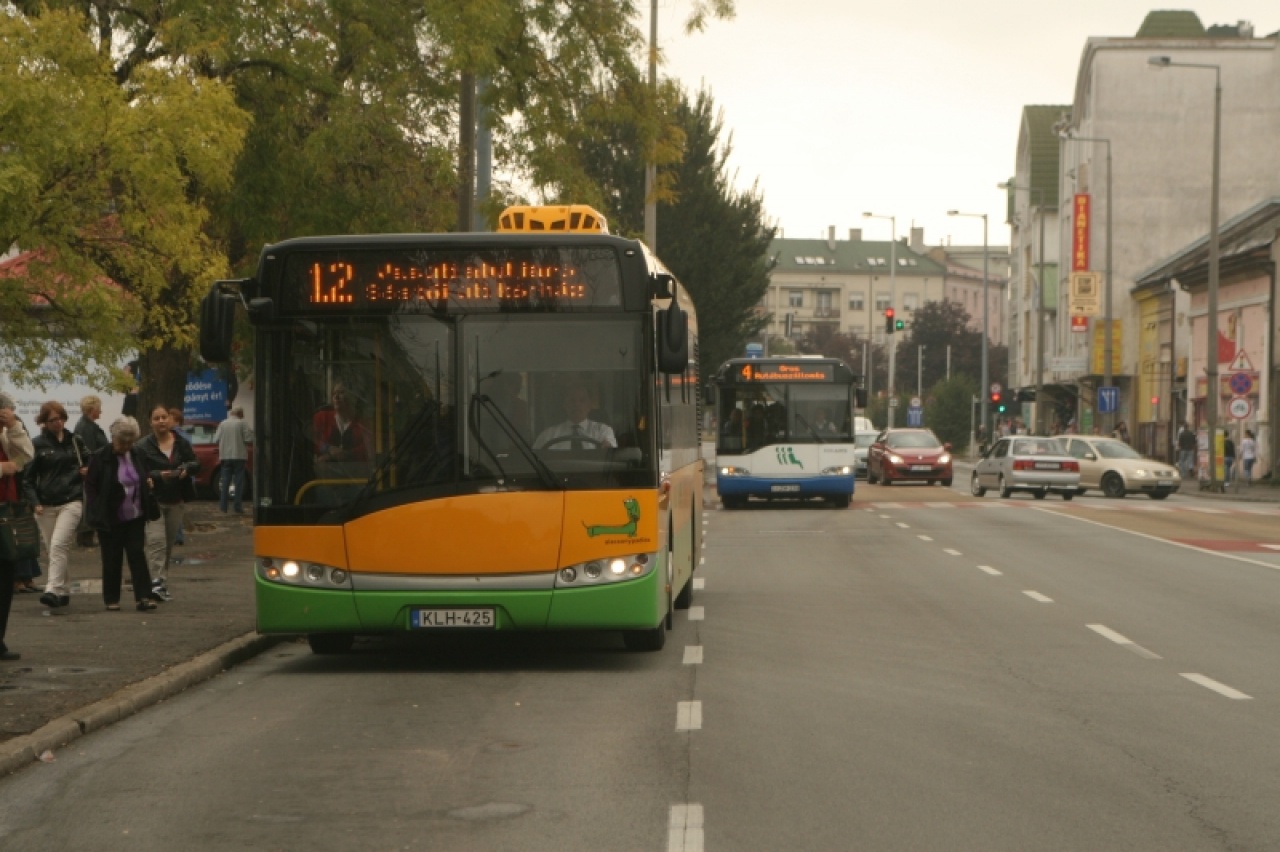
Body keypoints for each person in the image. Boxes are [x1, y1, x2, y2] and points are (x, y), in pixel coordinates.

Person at [84, 417, 161, 612]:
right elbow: (91, 486)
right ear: (113, 437)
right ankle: (111, 598)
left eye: (130, 442)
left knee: (137, 554)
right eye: (122, 442)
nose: (126, 446)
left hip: (135, 514)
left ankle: (144, 596)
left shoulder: (138, 454)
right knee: (112, 557)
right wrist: (95, 508)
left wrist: (148, 482)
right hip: (110, 516)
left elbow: (144, 474)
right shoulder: (100, 457)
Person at [21, 402, 88, 610]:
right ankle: (63, 590)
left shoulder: (76, 441)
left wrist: (86, 470)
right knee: (54, 549)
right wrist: (35, 502)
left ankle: (52, 588)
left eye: (60, 418)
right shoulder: (37, 444)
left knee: (59, 545)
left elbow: (92, 461)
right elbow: (27, 478)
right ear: (44, 422)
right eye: (52, 420)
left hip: (71, 499)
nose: (58, 423)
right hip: (46, 504)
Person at [137, 405, 199, 601]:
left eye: (164, 417)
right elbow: (138, 472)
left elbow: (195, 463)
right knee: (156, 542)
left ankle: (161, 581)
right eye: (157, 418)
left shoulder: (181, 442)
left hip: (176, 499)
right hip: (153, 501)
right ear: (151, 422)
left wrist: (186, 468)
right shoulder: (142, 446)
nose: (162, 421)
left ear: (170, 420)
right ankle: (155, 582)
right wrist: (157, 475)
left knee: (169, 544)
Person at [0, 392, 35, 658]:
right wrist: (3, 469)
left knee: (6, 573)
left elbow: (26, 455)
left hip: (6, 510)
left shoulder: (5, 432)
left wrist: (14, 427)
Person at [73, 395, 109, 546]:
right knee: (90, 502)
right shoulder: (86, 427)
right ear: (92, 409)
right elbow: (89, 451)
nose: (101, 410)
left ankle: (87, 534)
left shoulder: (87, 425)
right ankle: (85, 536)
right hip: (91, 471)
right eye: (99, 407)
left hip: (94, 469)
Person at [534, 384, 616, 449]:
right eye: (572, 400)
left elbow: (611, 457)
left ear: (589, 405)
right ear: (565, 405)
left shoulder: (603, 431)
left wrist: (607, 447)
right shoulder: (547, 436)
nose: (577, 404)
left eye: (582, 400)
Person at [313, 382, 372, 464]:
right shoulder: (322, 418)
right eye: (334, 394)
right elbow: (313, 440)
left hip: (357, 474)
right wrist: (327, 448)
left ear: (353, 397)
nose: (336, 397)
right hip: (325, 474)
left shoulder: (364, 424)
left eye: (341, 392)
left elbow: (368, 449)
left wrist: (346, 454)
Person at [213, 407, 253, 513]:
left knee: (225, 481)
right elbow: (248, 439)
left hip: (225, 456)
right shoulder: (242, 423)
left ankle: (223, 507)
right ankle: (237, 507)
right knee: (239, 482)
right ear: (240, 414)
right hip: (239, 456)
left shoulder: (222, 424)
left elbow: (216, 439)